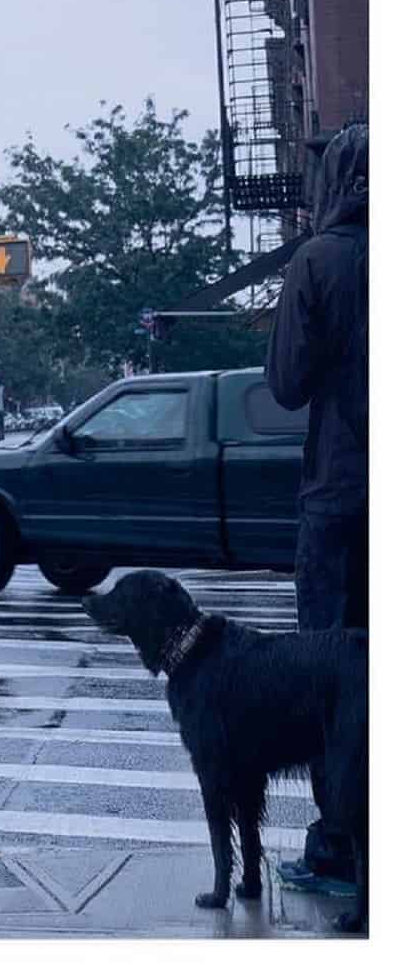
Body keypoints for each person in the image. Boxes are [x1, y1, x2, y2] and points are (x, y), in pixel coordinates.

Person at [266, 121, 368, 895]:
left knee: (336, 681)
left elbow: (288, 383)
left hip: (339, 499)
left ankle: (340, 844)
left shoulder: (320, 261)